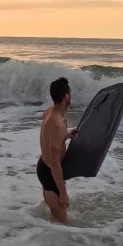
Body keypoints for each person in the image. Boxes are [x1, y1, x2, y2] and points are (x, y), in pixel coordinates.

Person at [37, 77, 77, 222]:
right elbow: (55, 166)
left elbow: (50, 138)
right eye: (70, 93)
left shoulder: (50, 111)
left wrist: (67, 135)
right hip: (50, 174)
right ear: (66, 96)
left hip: (44, 166)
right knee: (62, 222)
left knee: (48, 215)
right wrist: (63, 193)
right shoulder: (56, 124)